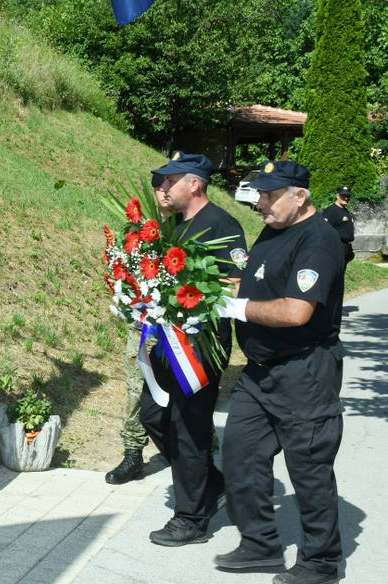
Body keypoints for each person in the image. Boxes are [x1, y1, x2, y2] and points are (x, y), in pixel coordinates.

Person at [214, 161, 345, 584]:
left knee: (308, 470)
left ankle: (321, 563)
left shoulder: (318, 240)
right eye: (260, 194)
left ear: (299, 196)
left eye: (269, 195)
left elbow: (295, 311)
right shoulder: (274, 229)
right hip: (260, 373)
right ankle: (260, 546)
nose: (260, 202)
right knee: (239, 454)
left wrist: (236, 308)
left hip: (304, 370)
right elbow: (258, 284)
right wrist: (211, 293)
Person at [139, 152, 247, 546]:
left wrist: (190, 301)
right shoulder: (174, 227)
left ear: (195, 184)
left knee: (189, 429)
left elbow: (237, 285)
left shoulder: (222, 225)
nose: (163, 188)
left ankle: (191, 519)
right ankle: (209, 481)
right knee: (153, 415)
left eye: (171, 181)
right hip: (168, 341)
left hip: (201, 345)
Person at [106, 174, 171, 485]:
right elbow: (123, 271)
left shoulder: (191, 228)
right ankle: (133, 453)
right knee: (135, 385)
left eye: (168, 185)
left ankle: (197, 448)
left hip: (180, 329)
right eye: (158, 186)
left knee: (187, 385)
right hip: (143, 325)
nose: (162, 191)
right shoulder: (138, 232)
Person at [322, 186, 355, 265]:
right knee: (335, 273)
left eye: (348, 196)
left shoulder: (345, 211)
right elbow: (324, 230)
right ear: (337, 196)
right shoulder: (331, 210)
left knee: (341, 273)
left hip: (346, 247)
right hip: (336, 247)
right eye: (343, 196)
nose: (346, 198)